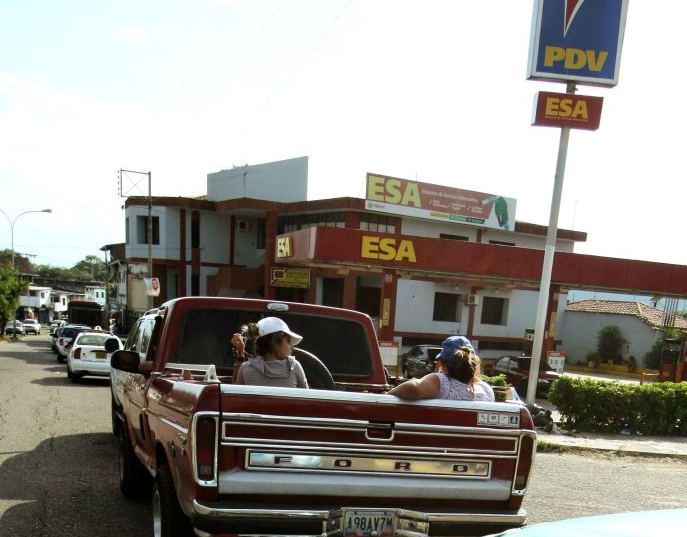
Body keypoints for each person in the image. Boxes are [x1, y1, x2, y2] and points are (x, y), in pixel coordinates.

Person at [387, 336, 494, 401]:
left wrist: (387, 395)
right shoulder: (486, 390)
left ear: (444, 366)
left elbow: (412, 389)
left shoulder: (441, 382)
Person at [232, 317, 309, 388]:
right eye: (288, 341)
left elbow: (232, 394)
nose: (292, 346)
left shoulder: (246, 368)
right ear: (276, 343)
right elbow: (309, 399)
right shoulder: (294, 367)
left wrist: (240, 353)